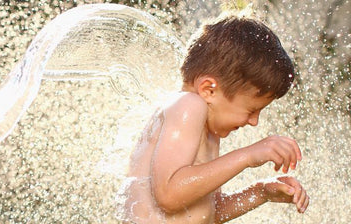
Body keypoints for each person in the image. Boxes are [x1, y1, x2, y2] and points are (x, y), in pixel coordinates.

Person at [117, 14, 310, 224]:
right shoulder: (189, 105)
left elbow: (210, 213)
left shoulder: (207, 131)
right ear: (209, 90)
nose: (254, 122)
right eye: (251, 110)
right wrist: (247, 155)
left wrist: (261, 192)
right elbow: (169, 195)